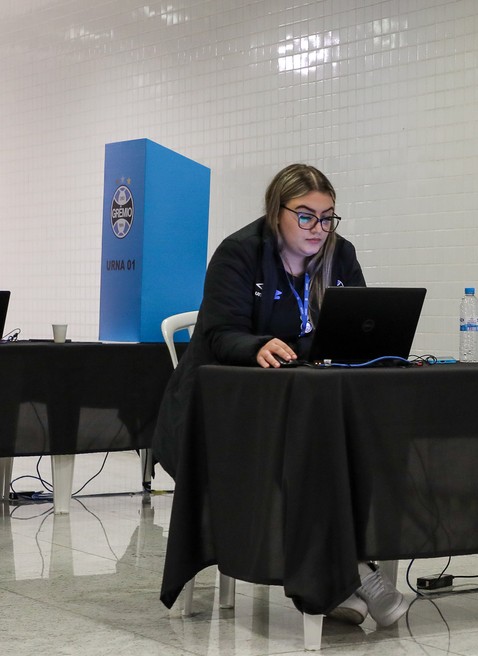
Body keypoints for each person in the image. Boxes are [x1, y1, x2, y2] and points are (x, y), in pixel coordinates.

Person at [153, 163, 409, 626]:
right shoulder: (239, 253)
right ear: (277, 213)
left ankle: (335, 582)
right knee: (305, 459)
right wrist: (255, 346)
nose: (319, 228)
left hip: (303, 401)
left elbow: (358, 322)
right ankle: (355, 573)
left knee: (350, 447)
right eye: (306, 216)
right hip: (216, 417)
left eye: (327, 217)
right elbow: (219, 333)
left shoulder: (340, 254)